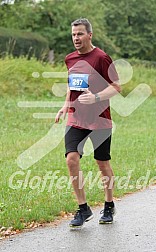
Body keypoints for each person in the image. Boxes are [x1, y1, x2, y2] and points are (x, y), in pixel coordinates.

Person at [55, 18, 120, 228]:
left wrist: (97, 97)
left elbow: (116, 87)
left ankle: (109, 205)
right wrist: (65, 105)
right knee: (71, 158)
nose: (76, 38)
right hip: (76, 118)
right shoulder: (70, 59)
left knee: (102, 163)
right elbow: (71, 84)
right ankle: (83, 208)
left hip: (100, 120)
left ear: (89, 35)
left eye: (80, 34)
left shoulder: (101, 58)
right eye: (73, 34)